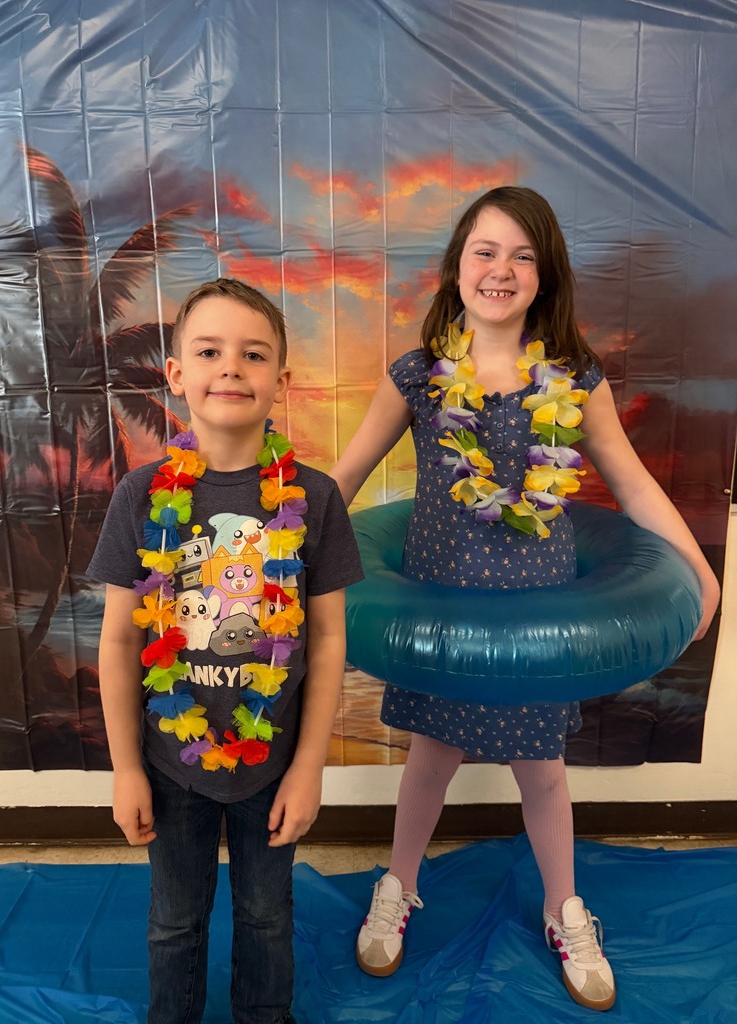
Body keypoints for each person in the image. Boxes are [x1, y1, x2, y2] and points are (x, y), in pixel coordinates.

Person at [330, 187, 720, 1012]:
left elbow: (631, 484)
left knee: (541, 770)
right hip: (438, 611)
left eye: (522, 255)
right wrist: (275, 548)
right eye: (484, 250)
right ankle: (397, 888)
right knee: (430, 759)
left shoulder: (574, 379)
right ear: (456, 265)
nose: (500, 270)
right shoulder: (419, 376)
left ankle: (563, 908)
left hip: (535, 615)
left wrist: (698, 564)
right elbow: (347, 476)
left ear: (544, 276)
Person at [89, 278, 363, 1024]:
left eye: (253, 353)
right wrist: (123, 770)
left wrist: (309, 768)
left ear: (282, 378)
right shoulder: (142, 496)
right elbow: (118, 640)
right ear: (176, 376)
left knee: (268, 917)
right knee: (174, 922)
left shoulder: (315, 498)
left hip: (271, 763)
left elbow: (330, 637)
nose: (232, 368)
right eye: (209, 351)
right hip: (168, 763)